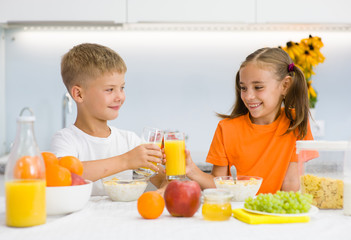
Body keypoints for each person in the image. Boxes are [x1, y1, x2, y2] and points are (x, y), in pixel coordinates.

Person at [185, 47, 315, 194]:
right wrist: (191, 170)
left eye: (258, 87)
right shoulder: (226, 129)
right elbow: (219, 185)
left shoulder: (296, 123)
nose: (248, 96)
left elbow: (290, 184)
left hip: (277, 213)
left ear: (285, 86)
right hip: (240, 212)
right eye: (244, 88)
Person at [51, 43, 165, 195]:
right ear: (79, 94)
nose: (120, 97)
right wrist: (126, 161)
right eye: (110, 89)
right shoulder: (66, 139)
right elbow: (64, 176)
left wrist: (168, 180)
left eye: (122, 88)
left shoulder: (129, 141)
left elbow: (163, 180)